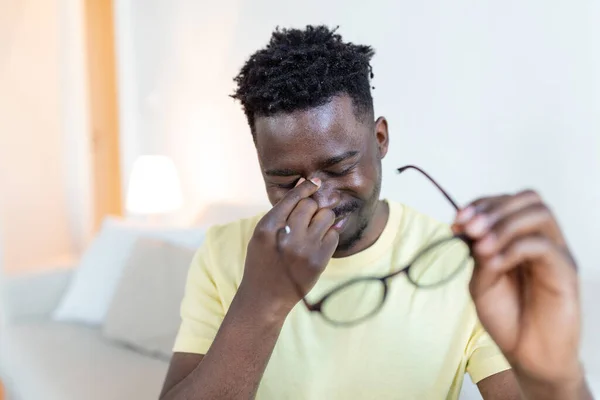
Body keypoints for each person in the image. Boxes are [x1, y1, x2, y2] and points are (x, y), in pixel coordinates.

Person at [160, 25, 592, 399]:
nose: (319, 199)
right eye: (285, 180)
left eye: (340, 167)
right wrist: (261, 303)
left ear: (380, 138)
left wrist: (556, 381)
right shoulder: (222, 252)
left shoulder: (463, 265)